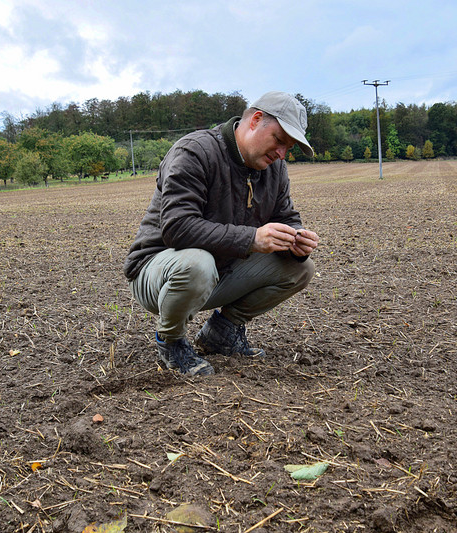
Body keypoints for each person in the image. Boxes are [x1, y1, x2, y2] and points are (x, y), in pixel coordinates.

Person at [122, 91, 319, 376]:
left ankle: (222, 332)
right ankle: (171, 340)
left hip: (219, 270)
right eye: (278, 140)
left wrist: (297, 238)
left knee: (300, 269)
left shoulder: (275, 169)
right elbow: (177, 227)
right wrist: (251, 239)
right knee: (196, 264)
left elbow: (286, 217)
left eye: (288, 148)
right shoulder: (195, 151)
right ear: (255, 120)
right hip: (158, 272)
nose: (281, 153)